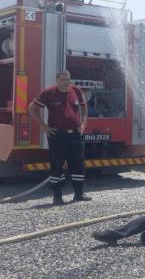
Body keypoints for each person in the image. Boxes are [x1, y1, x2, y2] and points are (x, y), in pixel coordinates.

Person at [28, 70, 91, 206]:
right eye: (62, 80)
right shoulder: (49, 93)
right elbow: (31, 108)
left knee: (78, 163)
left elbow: (84, 108)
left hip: (75, 134)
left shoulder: (76, 91)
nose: (65, 82)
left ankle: (79, 194)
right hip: (57, 135)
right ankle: (57, 197)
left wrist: (83, 124)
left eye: (67, 79)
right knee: (56, 165)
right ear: (57, 80)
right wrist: (43, 126)